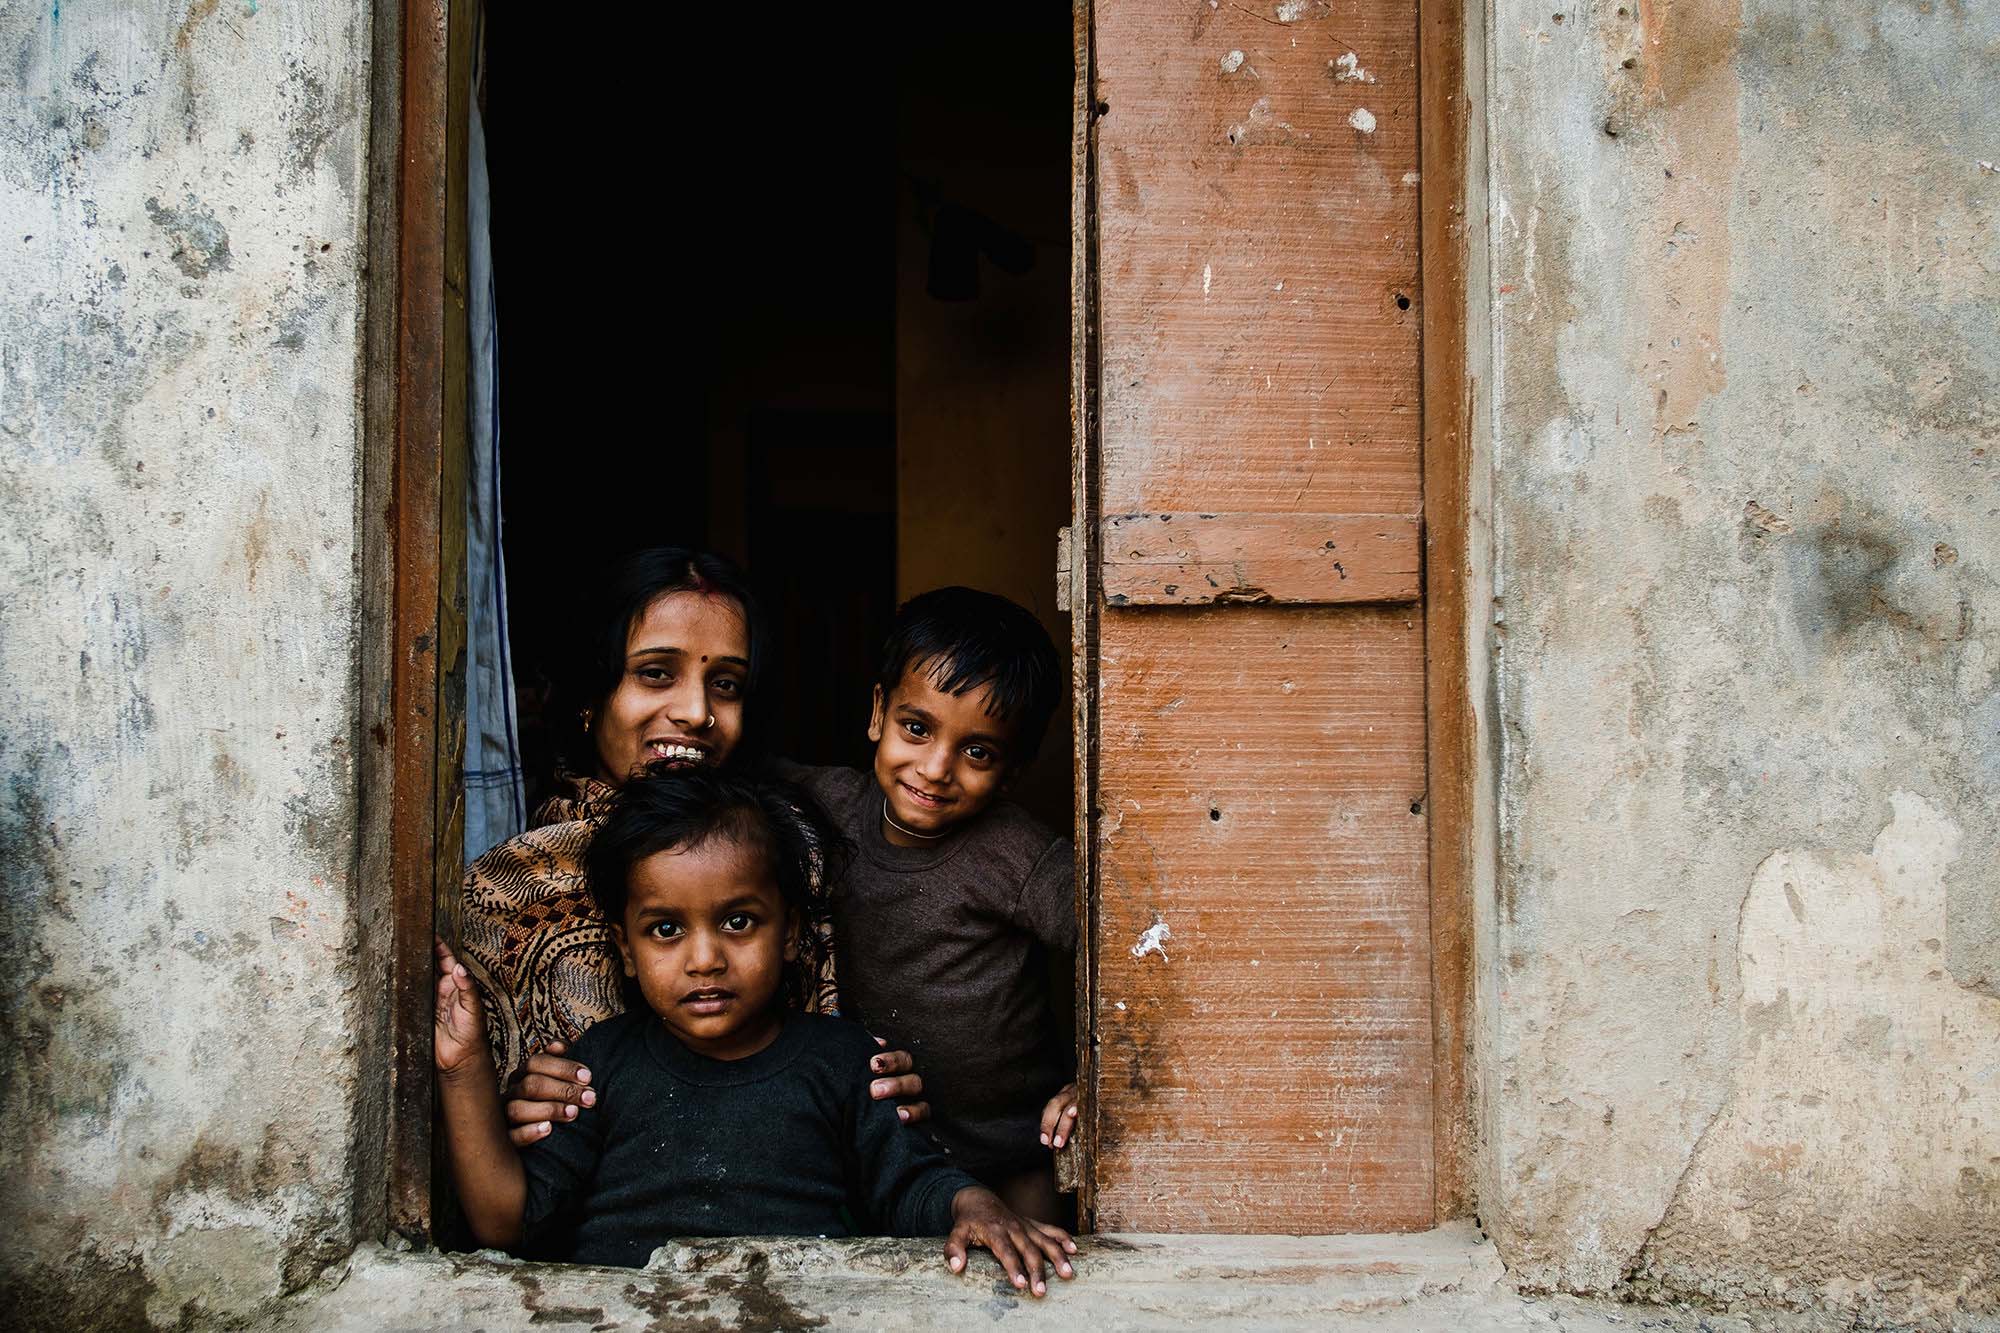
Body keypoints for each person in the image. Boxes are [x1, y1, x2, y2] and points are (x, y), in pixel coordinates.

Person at [433, 768, 1077, 1293]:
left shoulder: (843, 1059)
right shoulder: (597, 1066)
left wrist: (974, 1205)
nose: (705, 958)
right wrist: (464, 1071)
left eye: (739, 922)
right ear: (624, 951)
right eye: (665, 930)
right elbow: (506, 1220)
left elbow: (909, 1182)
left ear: (791, 932)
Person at [456, 547, 925, 1145]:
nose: (697, 712)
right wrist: (512, 1108)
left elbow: (823, 1068)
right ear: (591, 694)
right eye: (656, 673)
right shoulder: (506, 887)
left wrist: (876, 1095)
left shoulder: (787, 853)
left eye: (725, 683)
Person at [785, 587, 1079, 1224]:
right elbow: (733, 774)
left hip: (1018, 1149)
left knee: (1042, 1287)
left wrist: (1102, 1082)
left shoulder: (1022, 857)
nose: (936, 767)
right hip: (886, 1149)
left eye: (978, 751)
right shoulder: (828, 805)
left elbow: (1131, 948)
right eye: (915, 729)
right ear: (877, 714)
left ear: (1015, 769)